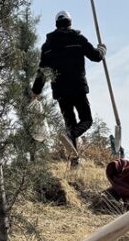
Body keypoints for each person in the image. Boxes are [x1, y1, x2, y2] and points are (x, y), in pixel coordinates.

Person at [31, 10, 106, 167]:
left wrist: (36, 91)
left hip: (60, 91)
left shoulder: (47, 46)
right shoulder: (78, 39)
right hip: (78, 87)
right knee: (86, 120)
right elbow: (95, 56)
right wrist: (102, 49)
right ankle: (70, 137)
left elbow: (42, 71)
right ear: (70, 23)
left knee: (70, 123)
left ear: (56, 24)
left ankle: (74, 162)